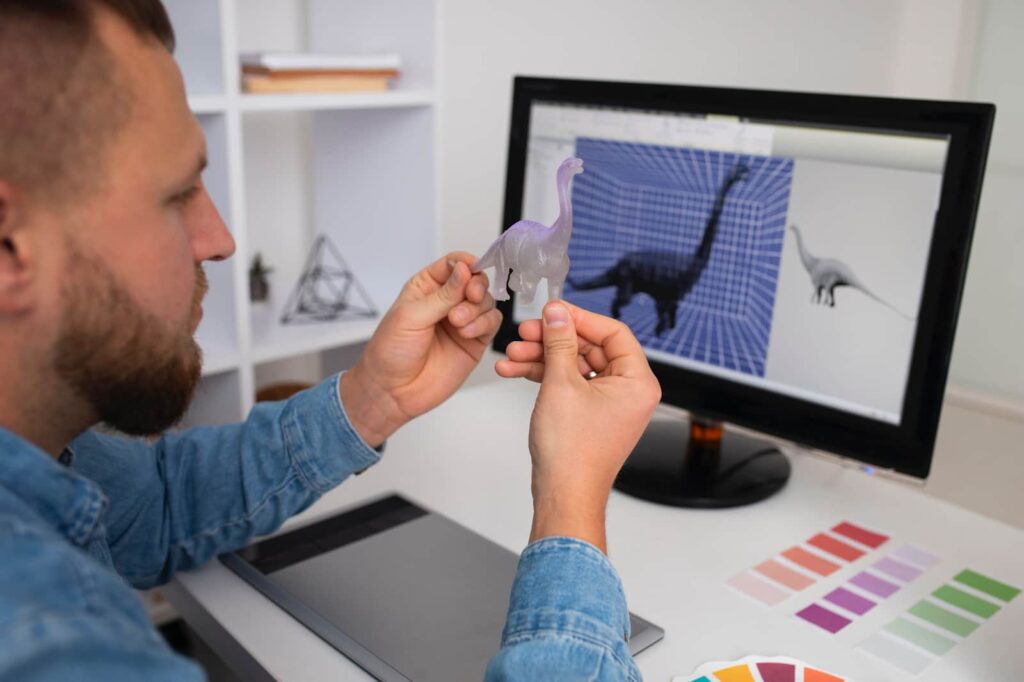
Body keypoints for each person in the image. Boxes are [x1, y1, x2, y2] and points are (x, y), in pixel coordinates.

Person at [0, 1, 661, 680]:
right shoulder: (46, 644)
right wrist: (570, 507)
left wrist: (370, 399)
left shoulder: (46, 455)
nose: (221, 241)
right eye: (176, 195)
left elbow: (156, 502)